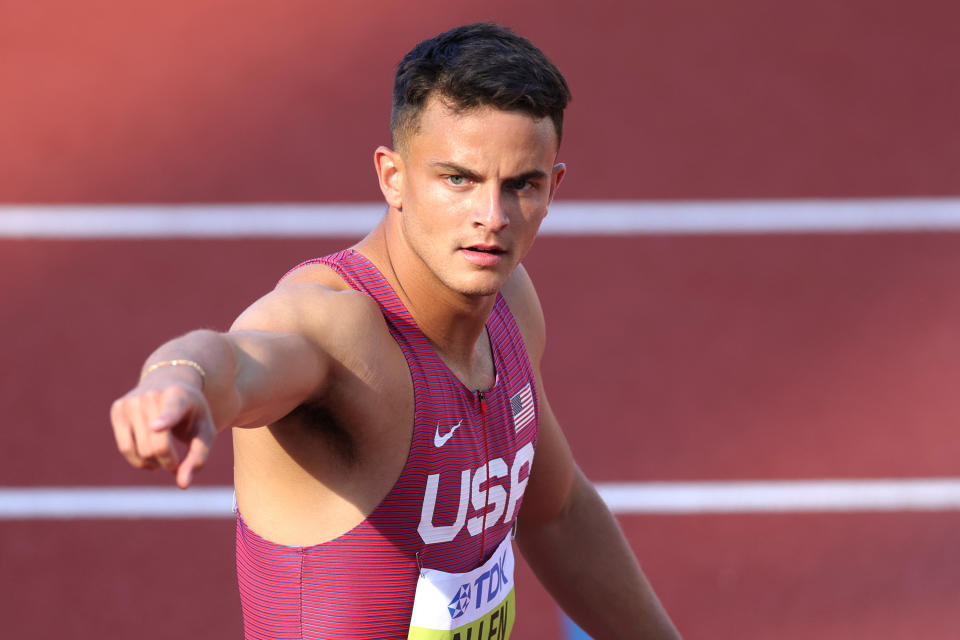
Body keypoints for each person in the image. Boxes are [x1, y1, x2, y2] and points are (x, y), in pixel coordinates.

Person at [110, 22, 680, 640]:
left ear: (554, 187)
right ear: (393, 177)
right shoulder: (342, 331)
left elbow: (557, 513)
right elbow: (237, 357)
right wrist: (178, 383)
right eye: (457, 178)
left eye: (522, 185)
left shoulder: (508, 304)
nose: (491, 218)